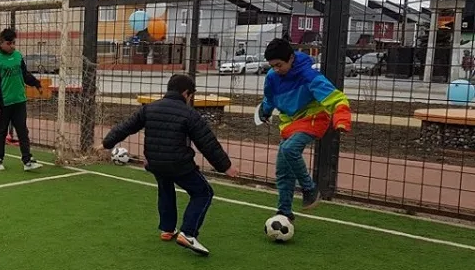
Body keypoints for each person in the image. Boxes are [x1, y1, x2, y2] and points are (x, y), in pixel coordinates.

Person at [101, 74, 239, 256]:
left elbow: (126, 126)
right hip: (179, 164)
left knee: (165, 188)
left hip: (155, 162)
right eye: (190, 96)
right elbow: (207, 143)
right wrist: (225, 166)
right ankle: (188, 233)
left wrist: (106, 144)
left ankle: (167, 229)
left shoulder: (149, 108)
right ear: (186, 93)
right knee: (203, 193)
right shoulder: (190, 114)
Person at [257, 38, 352, 220]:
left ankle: (310, 189)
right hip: (289, 124)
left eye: (279, 65)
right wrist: (264, 112)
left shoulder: (310, 76)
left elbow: (337, 99)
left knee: (289, 149)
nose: (276, 69)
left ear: (291, 58)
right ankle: (284, 212)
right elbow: (270, 98)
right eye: (272, 66)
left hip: (313, 119)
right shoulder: (272, 77)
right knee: (283, 170)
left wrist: (342, 120)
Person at [0, 28, 43, 171]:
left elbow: (24, 74)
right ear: (1, 43)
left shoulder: (18, 56)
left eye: (14, 43)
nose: (12, 46)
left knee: (23, 131)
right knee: (1, 130)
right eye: (9, 43)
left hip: (19, 100)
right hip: (4, 102)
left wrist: (36, 83)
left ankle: (27, 160)